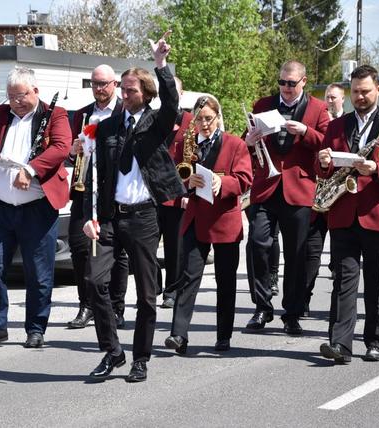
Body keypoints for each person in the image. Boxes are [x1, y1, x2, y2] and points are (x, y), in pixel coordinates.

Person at [82, 33, 185, 383]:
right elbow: (95, 175)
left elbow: (172, 103)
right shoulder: (106, 127)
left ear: (145, 94)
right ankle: (113, 352)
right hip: (111, 217)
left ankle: (141, 357)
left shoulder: (155, 123)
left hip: (143, 217)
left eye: (131, 91)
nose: (124, 96)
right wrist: (90, 218)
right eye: (122, 90)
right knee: (94, 282)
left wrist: (161, 65)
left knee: (146, 293)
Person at [317, 65, 379, 363]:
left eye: (365, 91)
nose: (360, 97)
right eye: (356, 92)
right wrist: (322, 162)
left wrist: (378, 168)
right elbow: (321, 168)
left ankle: (376, 340)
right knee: (344, 280)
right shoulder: (336, 126)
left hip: (378, 213)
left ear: (378, 90)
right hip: (343, 212)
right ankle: (341, 344)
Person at [0, 67, 71, 348]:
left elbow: (61, 147)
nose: (15, 102)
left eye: (21, 96)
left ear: (35, 91)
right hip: (1, 207)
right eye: (11, 96)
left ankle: (36, 328)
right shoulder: (0, 114)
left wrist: (31, 170)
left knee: (38, 272)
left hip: (36, 208)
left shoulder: (55, 114)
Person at [243, 60, 329, 335]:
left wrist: (305, 132)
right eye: (282, 82)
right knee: (257, 244)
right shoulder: (263, 103)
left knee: (296, 254)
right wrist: (249, 139)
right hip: (266, 186)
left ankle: (292, 313)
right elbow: (247, 139)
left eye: (292, 83)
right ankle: (261, 307)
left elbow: (329, 142)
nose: (286, 88)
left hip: (299, 189)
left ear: (304, 81)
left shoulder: (317, 108)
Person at [164, 95, 252, 354]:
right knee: (188, 277)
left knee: (226, 280)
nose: (203, 124)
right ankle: (178, 335)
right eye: (199, 119)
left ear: (218, 117)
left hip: (224, 219)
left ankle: (223, 335)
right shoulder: (186, 145)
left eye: (208, 119)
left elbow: (245, 180)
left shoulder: (235, 144)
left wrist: (221, 183)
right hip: (195, 217)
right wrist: (185, 185)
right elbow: (175, 177)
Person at [66, 64, 128, 330]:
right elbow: (68, 150)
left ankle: (116, 307)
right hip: (84, 188)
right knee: (80, 247)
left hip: (114, 190)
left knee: (117, 251)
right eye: (95, 84)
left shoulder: (125, 112)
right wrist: (74, 149)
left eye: (104, 84)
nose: (99, 89)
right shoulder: (82, 115)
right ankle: (87, 305)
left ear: (114, 84)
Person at [158, 76, 193, 309]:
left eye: (173, 92)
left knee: (174, 246)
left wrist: (188, 194)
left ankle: (172, 290)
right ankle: (154, 286)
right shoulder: (153, 118)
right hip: (152, 192)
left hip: (178, 194)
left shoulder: (192, 120)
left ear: (181, 95)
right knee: (146, 247)